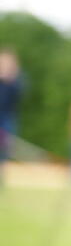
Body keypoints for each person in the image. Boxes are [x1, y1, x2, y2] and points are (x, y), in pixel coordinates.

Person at [0, 48, 22, 185]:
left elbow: (18, 95)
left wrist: (10, 78)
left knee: (4, 150)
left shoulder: (15, 82)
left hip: (6, 119)